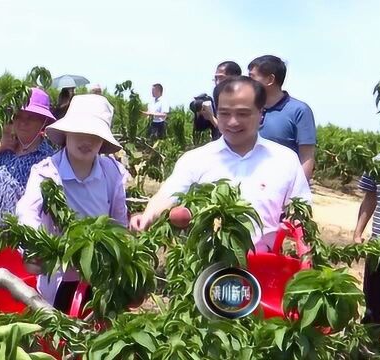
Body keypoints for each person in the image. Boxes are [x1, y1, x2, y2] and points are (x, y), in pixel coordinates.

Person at [130, 76, 312, 252]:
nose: (233, 122)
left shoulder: (284, 160)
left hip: (263, 269)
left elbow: (300, 213)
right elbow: (168, 195)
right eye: (224, 113)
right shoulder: (196, 159)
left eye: (243, 113)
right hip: (208, 267)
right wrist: (147, 216)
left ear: (261, 114)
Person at [16, 94, 128, 310]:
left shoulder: (111, 173)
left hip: (99, 276)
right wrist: (34, 249)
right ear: (67, 133)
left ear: (103, 140)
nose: (86, 140)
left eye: (94, 135)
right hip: (58, 276)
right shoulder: (47, 173)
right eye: (80, 132)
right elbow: (27, 213)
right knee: (58, 332)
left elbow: (119, 222)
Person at [0, 88, 56, 227]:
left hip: (19, 243)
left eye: (31, 117)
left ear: (43, 122)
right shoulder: (3, 151)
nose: (23, 122)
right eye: (19, 116)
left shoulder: (48, 161)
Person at [248, 55, 316, 180]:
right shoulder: (249, 108)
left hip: (280, 184)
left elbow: (307, 157)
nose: (247, 83)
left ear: (270, 79)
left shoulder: (299, 111)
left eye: (252, 77)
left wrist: (297, 193)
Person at [353, 151, 380, 324]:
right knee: (373, 310)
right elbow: (370, 198)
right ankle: (367, 349)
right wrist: (357, 233)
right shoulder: (379, 161)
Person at [199, 61, 243, 140]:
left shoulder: (243, 100)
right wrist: (200, 113)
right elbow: (200, 127)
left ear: (235, 78)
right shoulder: (216, 101)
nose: (217, 82)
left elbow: (232, 131)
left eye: (221, 78)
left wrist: (211, 118)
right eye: (215, 79)